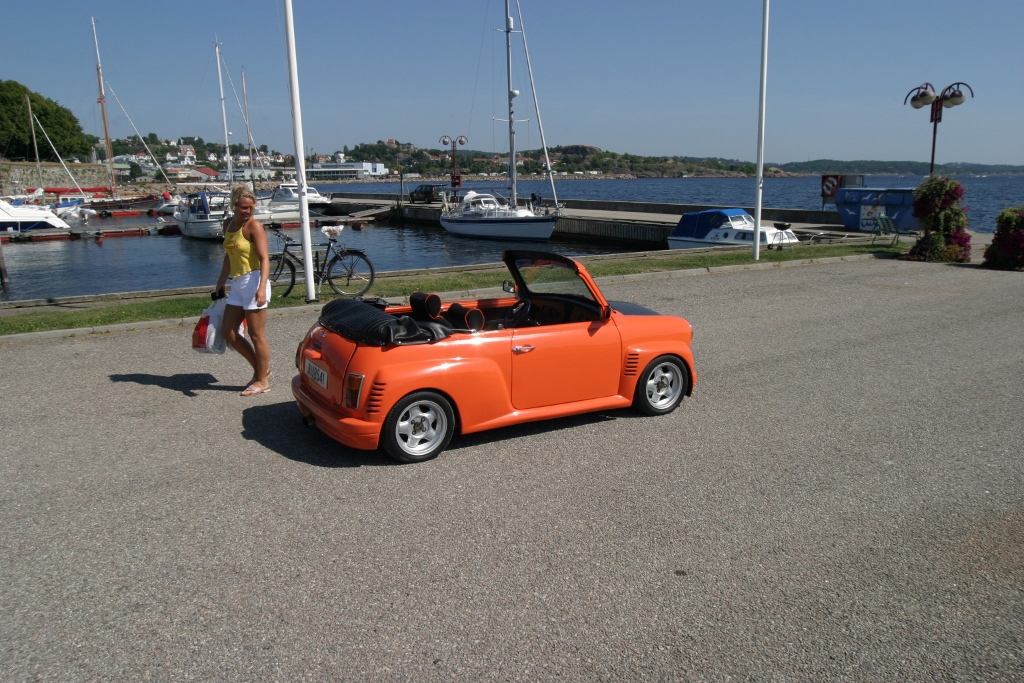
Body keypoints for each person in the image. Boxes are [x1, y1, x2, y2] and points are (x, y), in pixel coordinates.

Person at [215, 185, 271, 396]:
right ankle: (261, 370)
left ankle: (262, 381)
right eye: (243, 207)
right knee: (228, 332)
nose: (247, 211)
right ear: (234, 205)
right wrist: (221, 281)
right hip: (237, 282)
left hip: (254, 280)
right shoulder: (228, 224)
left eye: (251, 208)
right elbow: (229, 255)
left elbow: (265, 258)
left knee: (257, 335)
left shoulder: (254, 226)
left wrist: (262, 288)